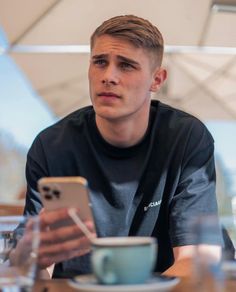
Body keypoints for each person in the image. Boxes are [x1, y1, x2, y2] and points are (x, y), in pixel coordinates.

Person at [11, 15, 222, 278]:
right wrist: (32, 259)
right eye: (100, 62)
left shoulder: (186, 138)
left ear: (157, 80)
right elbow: (32, 271)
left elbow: (198, 259)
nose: (108, 76)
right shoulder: (52, 145)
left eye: (126, 65)